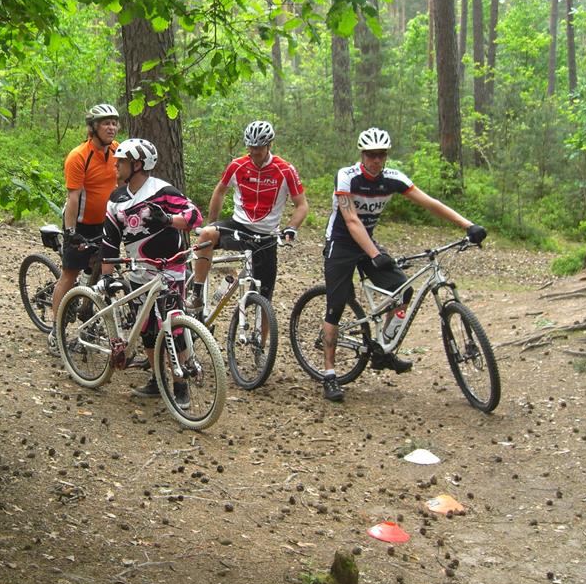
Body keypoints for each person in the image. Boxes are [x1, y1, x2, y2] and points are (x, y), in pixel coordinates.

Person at [319, 127, 487, 402]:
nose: (376, 160)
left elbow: (430, 203)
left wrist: (468, 225)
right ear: (362, 155)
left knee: (403, 290)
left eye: (381, 155)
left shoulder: (393, 179)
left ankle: (383, 350)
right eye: (371, 155)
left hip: (368, 243)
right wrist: (375, 254)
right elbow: (351, 220)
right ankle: (329, 374)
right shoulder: (347, 176)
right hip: (341, 243)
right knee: (336, 306)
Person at [98, 138, 203, 406]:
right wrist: (107, 276)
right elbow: (110, 239)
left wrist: (168, 219)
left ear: (137, 165)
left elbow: (194, 217)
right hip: (138, 271)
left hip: (170, 270)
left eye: (121, 162)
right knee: (146, 327)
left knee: (173, 327)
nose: (116, 166)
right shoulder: (117, 198)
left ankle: (180, 385)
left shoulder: (163, 191)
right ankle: (157, 380)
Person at [188, 120, 307, 314]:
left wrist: (292, 227)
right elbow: (219, 192)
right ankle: (196, 294)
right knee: (207, 234)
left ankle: (263, 334)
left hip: (266, 235)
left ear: (269, 145)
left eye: (258, 148)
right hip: (238, 226)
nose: (254, 151)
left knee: (265, 302)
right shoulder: (237, 165)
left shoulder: (285, 170)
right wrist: (212, 222)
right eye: (250, 147)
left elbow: (301, 205)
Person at [47, 103, 120, 351]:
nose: (111, 127)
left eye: (114, 123)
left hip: (106, 222)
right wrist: (71, 233)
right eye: (106, 123)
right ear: (93, 127)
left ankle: (88, 315)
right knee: (70, 274)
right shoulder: (79, 156)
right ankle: (56, 331)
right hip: (80, 223)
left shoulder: (117, 151)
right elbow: (73, 197)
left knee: (103, 270)